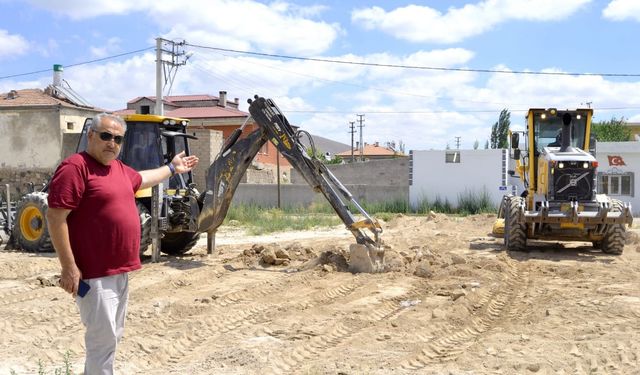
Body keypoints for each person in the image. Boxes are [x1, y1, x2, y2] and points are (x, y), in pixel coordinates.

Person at [46, 113, 199, 374]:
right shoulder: (76, 168)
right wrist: (68, 267)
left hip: (119, 272)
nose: (112, 143)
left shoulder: (117, 169)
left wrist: (173, 168)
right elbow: (55, 217)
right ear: (91, 136)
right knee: (102, 341)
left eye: (118, 139)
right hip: (94, 275)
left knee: (112, 336)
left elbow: (143, 178)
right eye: (106, 136)